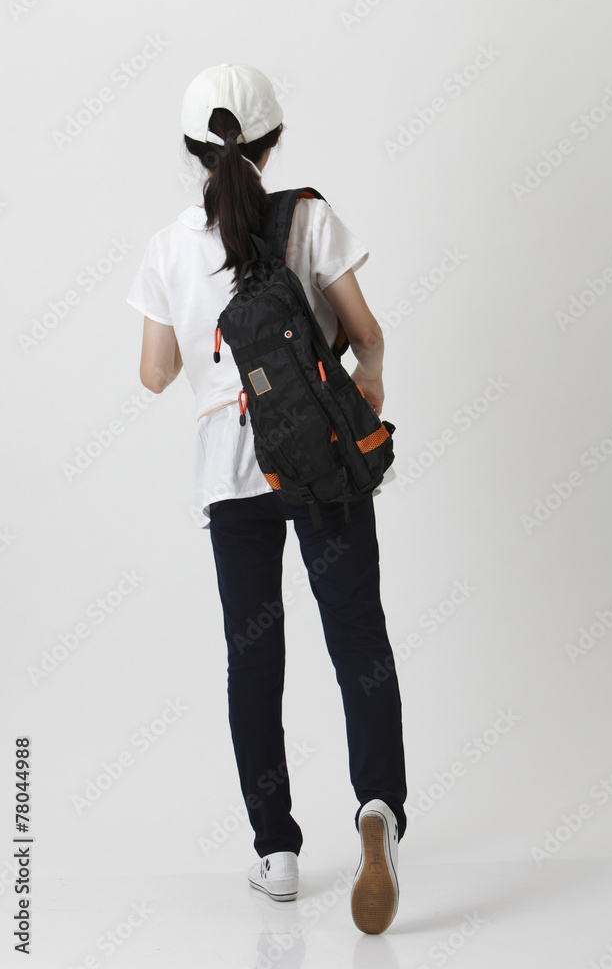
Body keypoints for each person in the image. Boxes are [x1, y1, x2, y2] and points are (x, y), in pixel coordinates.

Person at [126, 62, 407, 934]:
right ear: (274, 141)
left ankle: (276, 853)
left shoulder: (167, 245)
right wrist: (367, 378)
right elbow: (366, 332)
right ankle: (376, 810)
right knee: (356, 636)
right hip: (316, 457)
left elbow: (155, 374)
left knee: (252, 658)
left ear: (191, 150)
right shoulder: (307, 217)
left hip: (228, 476)